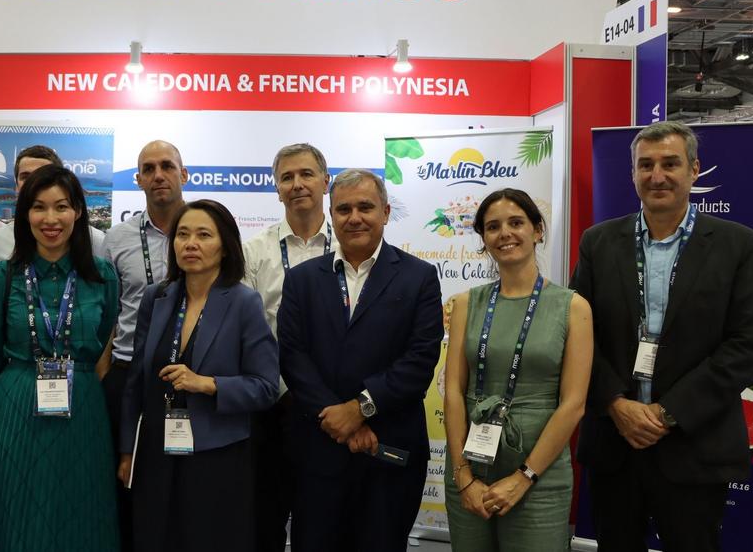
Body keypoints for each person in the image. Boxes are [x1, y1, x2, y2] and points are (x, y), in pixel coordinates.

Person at [571, 121, 753, 551]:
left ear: (694, 170)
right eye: (646, 165)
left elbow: (743, 346)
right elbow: (579, 336)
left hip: (694, 445)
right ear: (632, 173)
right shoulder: (598, 242)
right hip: (615, 443)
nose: (657, 176)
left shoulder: (737, 245)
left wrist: (667, 413)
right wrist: (615, 404)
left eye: (670, 164)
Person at [277, 168, 442, 552]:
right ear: (332, 214)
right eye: (344, 209)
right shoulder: (301, 279)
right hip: (318, 448)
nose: (354, 218)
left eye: (365, 207)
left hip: (388, 449)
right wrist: (340, 420)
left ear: (385, 212)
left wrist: (360, 409)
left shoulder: (418, 277)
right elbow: (293, 355)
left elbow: (419, 360)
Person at [117, 199, 279, 551]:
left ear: (225, 247)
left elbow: (266, 387)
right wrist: (128, 449)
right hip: (156, 452)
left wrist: (208, 384)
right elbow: (135, 381)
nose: (191, 244)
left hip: (217, 455)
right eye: (183, 235)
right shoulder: (156, 297)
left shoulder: (244, 302)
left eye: (204, 235)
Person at [0, 164, 120, 550]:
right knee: (16, 512)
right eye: (38, 207)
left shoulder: (103, 277)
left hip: (82, 404)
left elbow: (101, 339)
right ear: (25, 215)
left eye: (61, 207)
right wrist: (5, 399)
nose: (50, 219)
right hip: (15, 404)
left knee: (82, 511)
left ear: (78, 212)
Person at [443, 188, 593, 551]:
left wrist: (524, 477)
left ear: (537, 230)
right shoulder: (465, 303)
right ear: (483, 238)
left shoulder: (573, 307)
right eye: (493, 227)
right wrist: (462, 475)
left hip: (539, 475)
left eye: (516, 223)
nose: (504, 233)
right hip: (469, 469)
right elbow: (453, 392)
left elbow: (573, 404)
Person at [241, 142, 336, 552]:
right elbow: (245, 332)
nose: (297, 184)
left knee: (326, 523)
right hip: (273, 405)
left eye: (306, 174)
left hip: (336, 404)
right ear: (276, 189)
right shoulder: (253, 252)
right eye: (287, 177)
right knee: (266, 520)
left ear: (326, 182)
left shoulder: (351, 245)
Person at [102, 139, 188, 550]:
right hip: (128, 376)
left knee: (184, 487)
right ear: (137, 180)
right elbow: (106, 311)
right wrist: (106, 371)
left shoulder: (206, 231)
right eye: (149, 169)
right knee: (126, 482)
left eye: (167, 166)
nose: (158, 175)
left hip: (189, 378)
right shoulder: (115, 239)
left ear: (183, 174)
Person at [0, 144, 106, 269]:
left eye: (44, 176)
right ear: (16, 186)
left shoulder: (97, 243)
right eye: (26, 177)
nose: (34, 183)